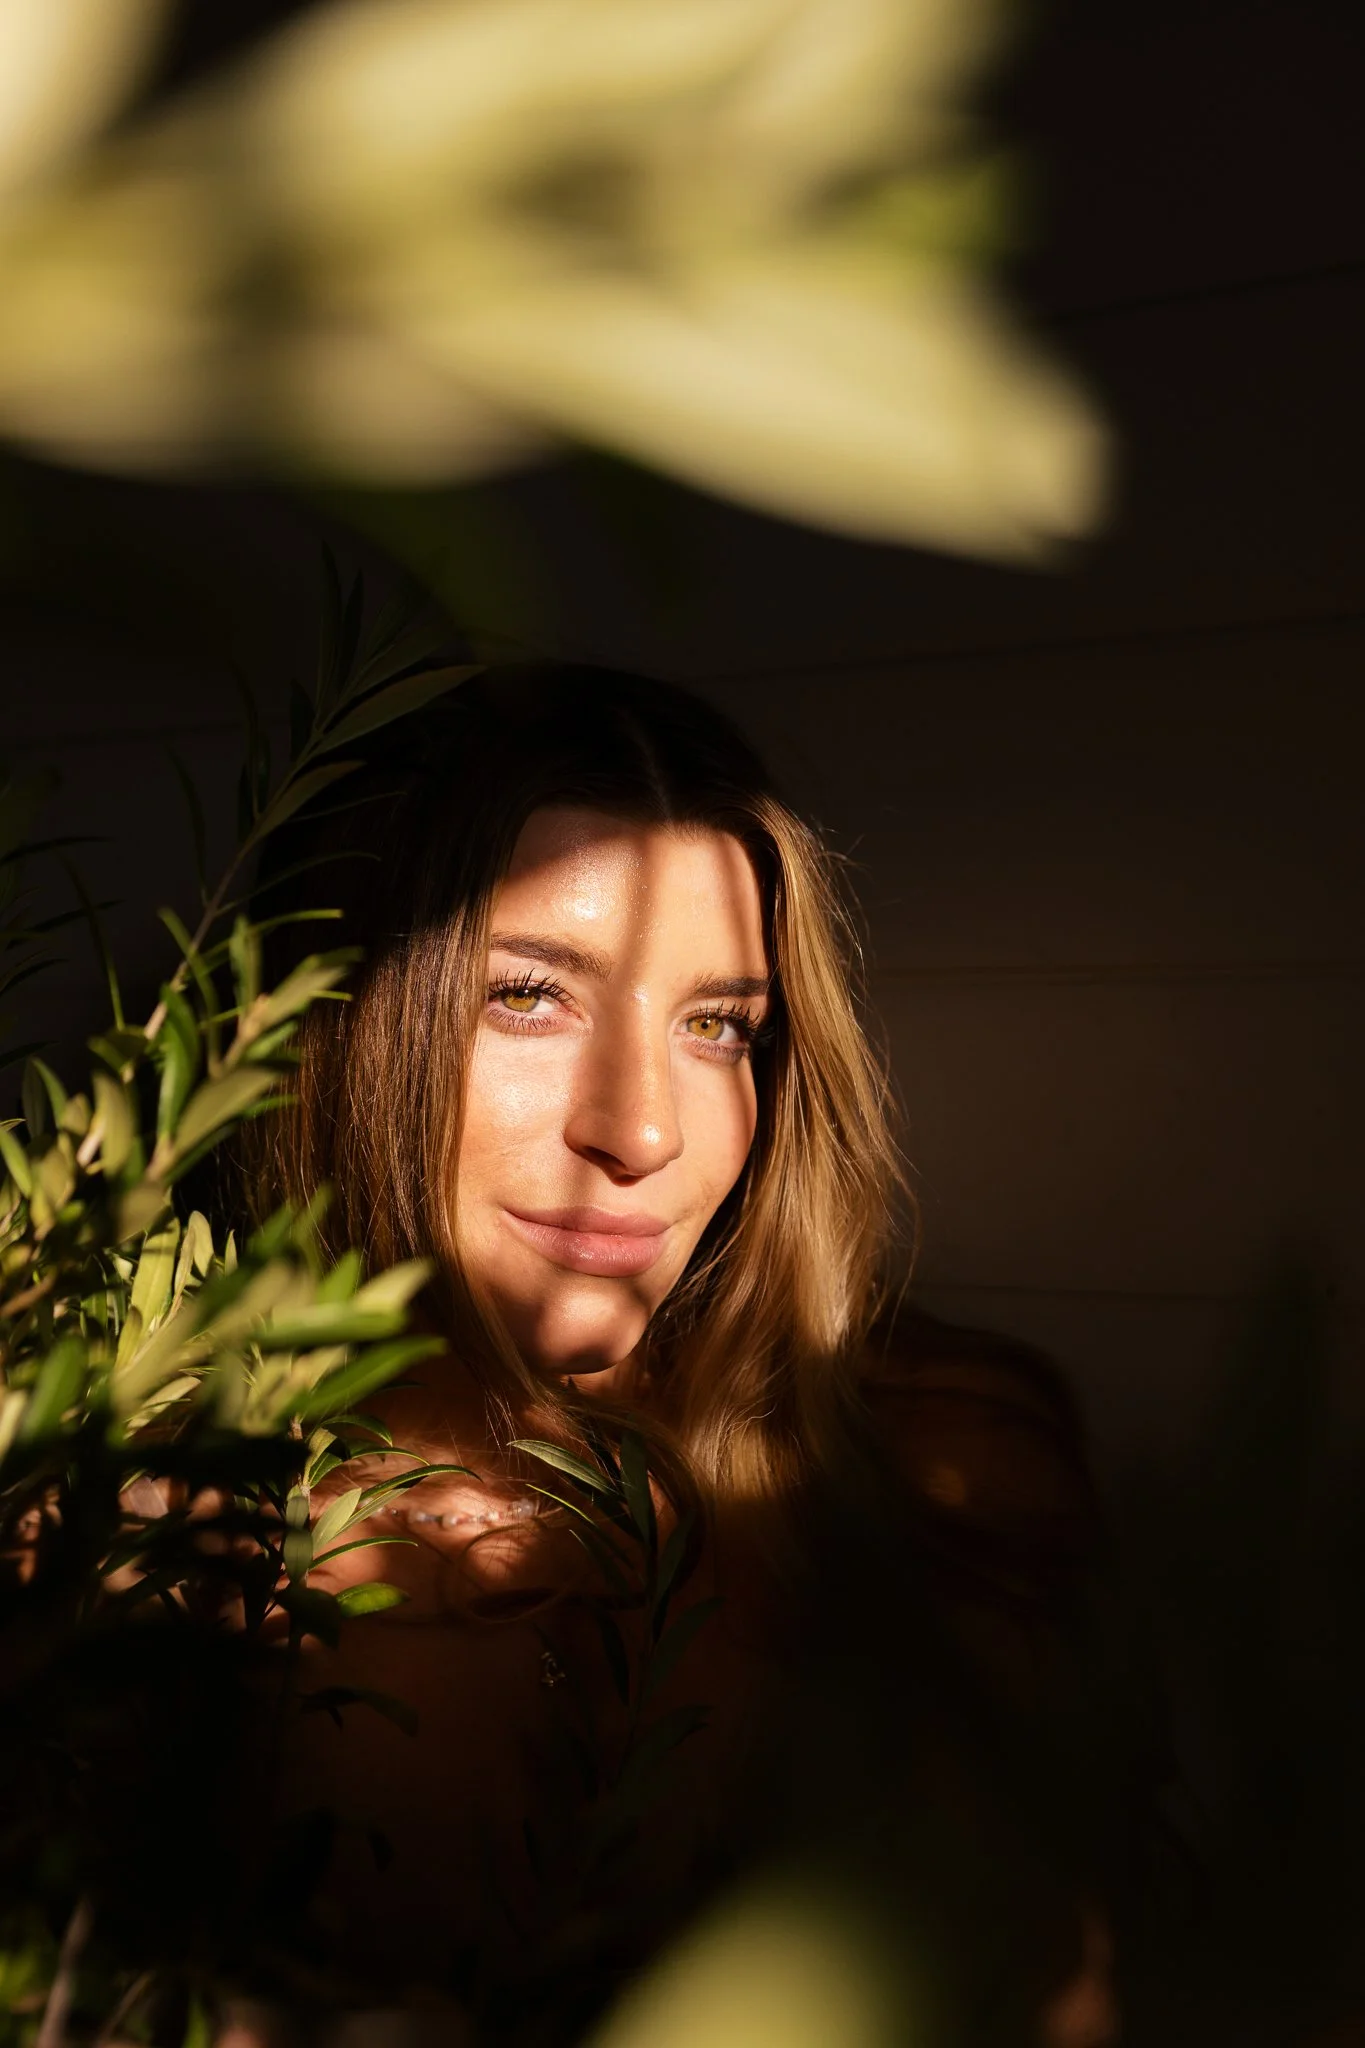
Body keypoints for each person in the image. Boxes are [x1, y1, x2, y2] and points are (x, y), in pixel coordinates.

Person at [246, 667, 1116, 2042]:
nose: (644, 1132)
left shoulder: (927, 1464)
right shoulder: (148, 1519)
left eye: (721, 1026)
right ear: (317, 1026)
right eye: (528, 996)